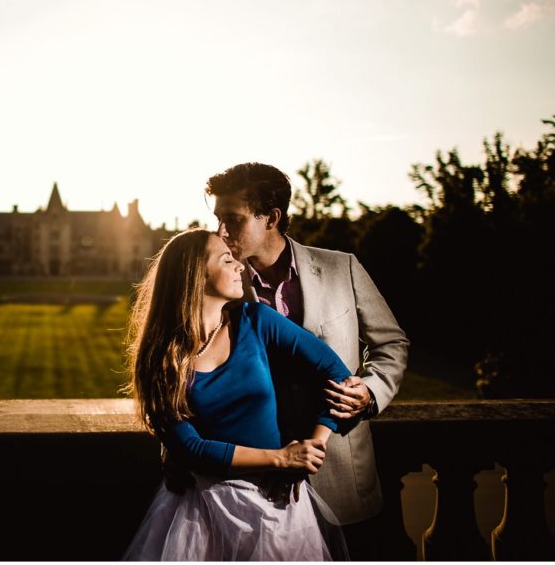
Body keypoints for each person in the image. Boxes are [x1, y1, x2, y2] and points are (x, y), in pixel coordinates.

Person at [205, 162, 410, 559]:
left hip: (342, 474)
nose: (221, 233)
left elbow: (392, 345)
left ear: (272, 218)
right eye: (217, 220)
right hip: (253, 482)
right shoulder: (213, 283)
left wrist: (370, 390)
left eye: (233, 220)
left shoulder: (341, 268)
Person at [123, 228, 353, 561]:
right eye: (227, 259)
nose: (240, 267)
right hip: (202, 510)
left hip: (275, 504)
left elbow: (338, 376)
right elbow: (190, 448)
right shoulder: (160, 358)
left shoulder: (257, 321)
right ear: (195, 273)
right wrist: (280, 458)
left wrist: (311, 449)